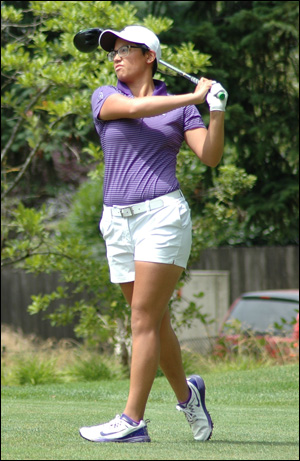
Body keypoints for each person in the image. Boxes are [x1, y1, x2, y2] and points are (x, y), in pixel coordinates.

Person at [79, 25, 227, 443]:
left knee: (142, 318)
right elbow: (134, 112)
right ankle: (189, 395)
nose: (115, 56)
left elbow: (210, 156)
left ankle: (132, 422)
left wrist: (214, 109)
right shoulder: (106, 96)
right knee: (155, 322)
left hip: (162, 215)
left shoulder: (181, 110)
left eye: (126, 49)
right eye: (113, 50)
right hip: (117, 220)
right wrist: (194, 95)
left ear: (150, 57)